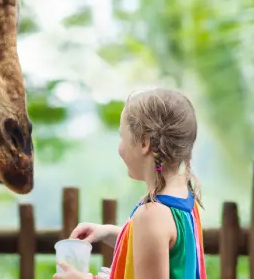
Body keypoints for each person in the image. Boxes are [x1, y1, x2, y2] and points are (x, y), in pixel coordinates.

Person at [54, 88, 207, 279]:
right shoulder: (184, 197)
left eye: (122, 136)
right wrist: (108, 232)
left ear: (144, 143)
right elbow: (155, 248)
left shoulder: (151, 216)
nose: (119, 146)